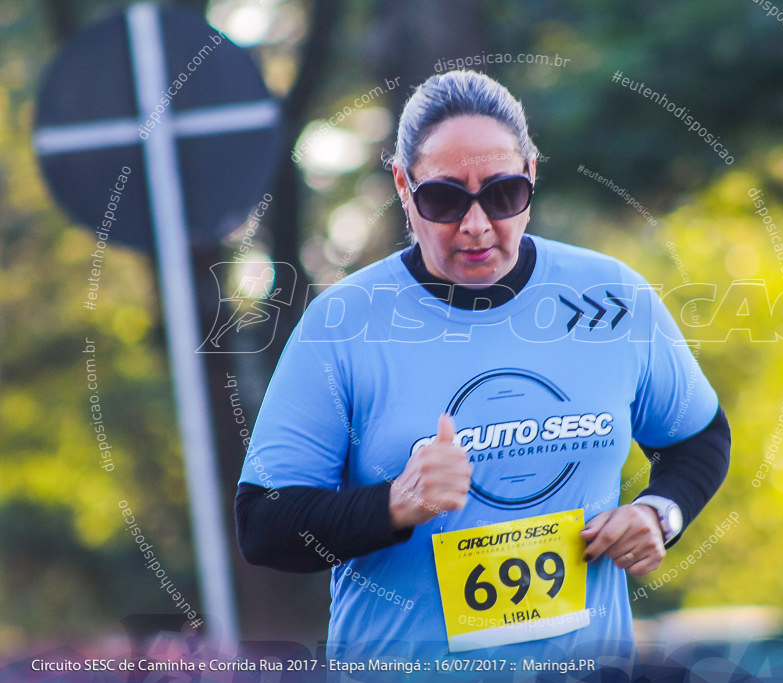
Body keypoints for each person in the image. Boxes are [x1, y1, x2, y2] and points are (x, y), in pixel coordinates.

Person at [235, 70, 731, 674]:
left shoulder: (612, 296)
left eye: (502, 194)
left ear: (532, 173)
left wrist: (659, 513)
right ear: (402, 184)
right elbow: (263, 524)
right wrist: (395, 502)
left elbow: (699, 438)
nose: (475, 225)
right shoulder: (344, 324)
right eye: (444, 199)